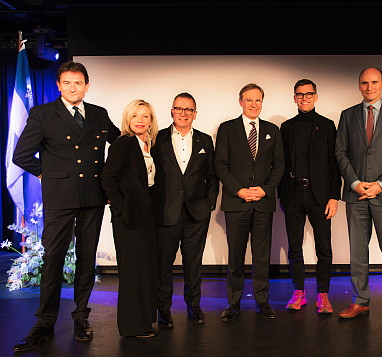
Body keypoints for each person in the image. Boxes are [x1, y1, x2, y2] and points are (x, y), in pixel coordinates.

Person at [12, 61, 120, 352]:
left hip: (93, 197)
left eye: (79, 83)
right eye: (68, 83)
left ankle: (81, 317)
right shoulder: (43, 114)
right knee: (54, 260)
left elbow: (119, 144)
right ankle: (44, 323)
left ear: (87, 85)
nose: (74, 88)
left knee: (86, 259)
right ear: (59, 86)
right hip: (60, 197)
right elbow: (20, 155)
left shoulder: (98, 114)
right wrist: (47, 173)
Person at [335, 67, 382, 324]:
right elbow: (340, 153)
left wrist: (380, 184)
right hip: (356, 195)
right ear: (359, 85)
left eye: (374, 82)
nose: (369, 87)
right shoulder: (347, 115)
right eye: (364, 83)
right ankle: (360, 301)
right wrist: (355, 183)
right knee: (358, 252)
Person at [215, 83, 284, 321]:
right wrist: (239, 190)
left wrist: (265, 190)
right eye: (249, 100)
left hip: (263, 203)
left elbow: (279, 165)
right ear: (240, 102)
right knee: (235, 255)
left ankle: (262, 302)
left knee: (262, 256)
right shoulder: (227, 129)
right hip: (237, 202)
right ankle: (233, 303)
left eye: (258, 100)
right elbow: (220, 165)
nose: (254, 105)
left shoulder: (272, 130)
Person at [151, 93, 219, 326]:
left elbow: (212, 176)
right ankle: (164, 310)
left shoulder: (205, 140)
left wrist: (210, 202)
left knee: (193, 263)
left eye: (188, 110)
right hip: (165, 211)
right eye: (179, 109)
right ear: (171, 111)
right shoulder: (157, 138)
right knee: (163, 264)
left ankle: (194, 307)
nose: (183, 113)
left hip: (196, 212)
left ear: (195, 114)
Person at [279, 79, 341, 313]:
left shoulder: (327, 126)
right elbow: (281, 164)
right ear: (294, 97)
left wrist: (334, 196)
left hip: (321, 196)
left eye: (308, 94)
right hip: (293, 194)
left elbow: (334, 164)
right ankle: (299, 292)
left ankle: (323, 294)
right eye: (300, 94)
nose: (304, 98)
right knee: (294, 246)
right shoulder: (287, 127)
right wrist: (282, 196)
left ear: (316, 96)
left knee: (323, 246)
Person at [101, 99, 158, 338]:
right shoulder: (123, 143)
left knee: (144, 270)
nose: (140, 121)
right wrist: (121, 207)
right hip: (129, 218)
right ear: (128, 119)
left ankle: (144, 321)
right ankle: (132, 327)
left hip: (145, 217)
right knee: (132, 272)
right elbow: (107, 177)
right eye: (135, 116)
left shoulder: (146, 144)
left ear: (151, 121)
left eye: (145, 116)